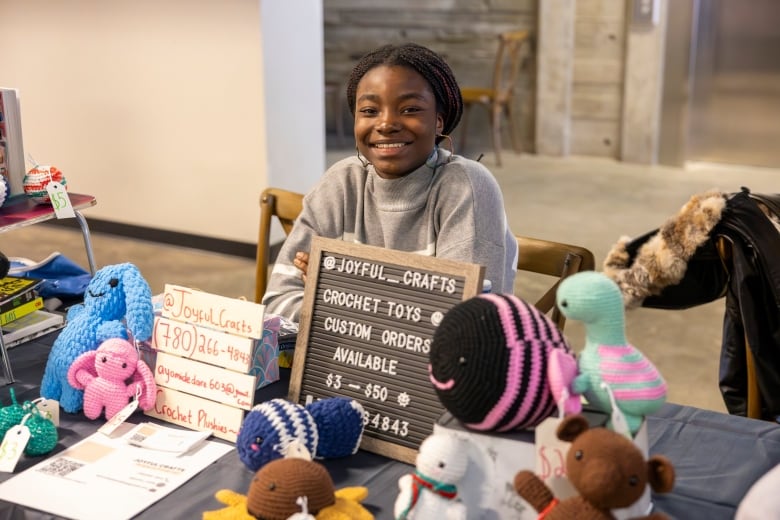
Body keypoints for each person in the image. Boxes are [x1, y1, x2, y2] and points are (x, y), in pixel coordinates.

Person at [262, 42, 518, 322]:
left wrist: (341, 289)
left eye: (409, 109)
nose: (385, 124)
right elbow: (277, 302)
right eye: (370, 111)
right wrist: (384, 304)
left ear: (439, 122)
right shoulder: (340, 183)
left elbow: (463, 324)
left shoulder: (466, 187)